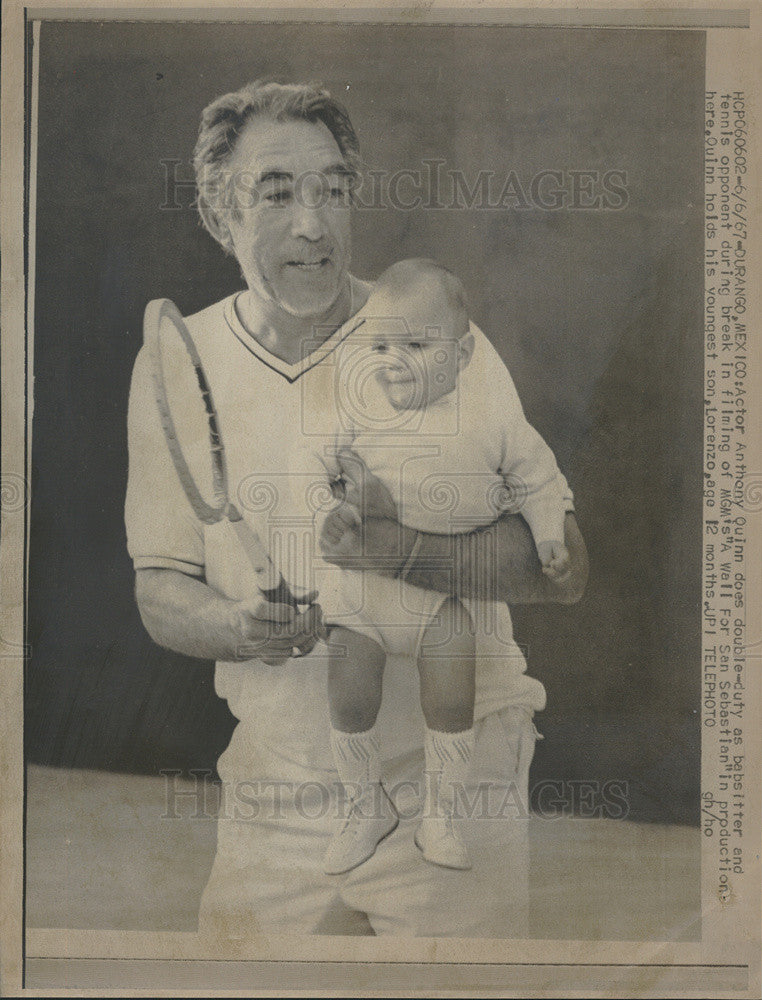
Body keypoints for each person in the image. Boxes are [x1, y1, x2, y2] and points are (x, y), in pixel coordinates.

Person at [126, 79, 588, 937]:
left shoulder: (434, 338)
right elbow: (160, 586)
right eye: (277, 193)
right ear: (220, 214)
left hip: (453, 775)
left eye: (332, 190)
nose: (314, 222)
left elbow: (564, 571)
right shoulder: (175, 362)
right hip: (277, 785)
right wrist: (238, 628)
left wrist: (397, 553)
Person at [302, 258, 571, 875]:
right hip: (365, 591)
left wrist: (549, 533)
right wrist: (334, 509)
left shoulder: (494, 421)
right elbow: (315, 472)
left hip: (440, 596)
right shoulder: (358, 410)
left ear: (463, 352)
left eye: (417, 345)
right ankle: (362, 803)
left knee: (452, 693)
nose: (393, 360)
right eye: (382, 345)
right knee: (347, 684)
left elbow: (540, 480)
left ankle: (442, 817)